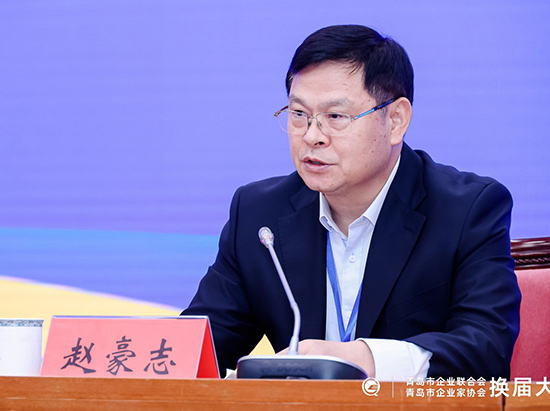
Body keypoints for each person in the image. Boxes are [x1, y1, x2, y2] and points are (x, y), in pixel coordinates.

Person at [182, 24, 521, 380]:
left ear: (396, 120)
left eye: (335, 117)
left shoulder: (467, 210)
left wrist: (358, 359)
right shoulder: (258, 214)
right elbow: (195, 353)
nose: (312, 136)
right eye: (299, 115)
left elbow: (486, 350)